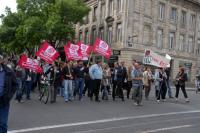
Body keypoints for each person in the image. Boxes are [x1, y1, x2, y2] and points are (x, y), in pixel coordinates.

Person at [0, 52, 17, 133]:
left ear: (1, 60)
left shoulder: (8, 71)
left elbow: (15, 84)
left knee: (3, 123)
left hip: (4, 101)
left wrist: (9, 96)